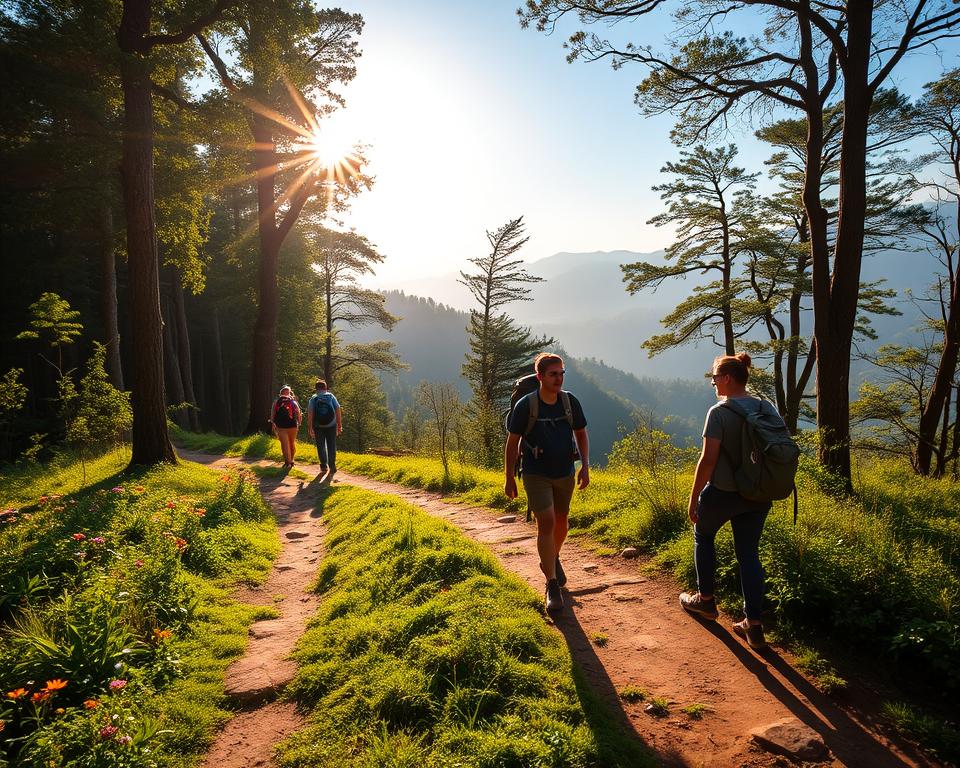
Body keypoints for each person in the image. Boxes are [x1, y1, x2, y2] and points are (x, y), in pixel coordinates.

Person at [680, 352, 778, 650]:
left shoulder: (719, 412)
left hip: (722, 493)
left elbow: (708, 460)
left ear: (727, 379)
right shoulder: (766, 407)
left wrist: (694, 496)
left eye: (714, 377)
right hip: (758, 493)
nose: (712, 383)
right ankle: (754, 625)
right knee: (749, 555)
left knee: (704, 535)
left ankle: (706, 601)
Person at [504, 353, 590, 613]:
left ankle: (551, 558)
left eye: (562, 373)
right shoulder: (526, 405)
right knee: (548, 521)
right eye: (553, 374)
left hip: (564, 471)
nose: (559, 378)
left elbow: (581, 433)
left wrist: (585, 465)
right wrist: (509, 476)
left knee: (563, 521)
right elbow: (513, 442)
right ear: (540, 376)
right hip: (535, 473)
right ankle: (552, 584)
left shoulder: (569, 402)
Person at [307, 378, 342, 478]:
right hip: (331, 425)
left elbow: (310, 413)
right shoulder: (331, 396)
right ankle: (332, 466)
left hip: (318, 426)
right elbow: (338, 409)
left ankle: (323, 466)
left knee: (320, 445)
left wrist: (310, 427)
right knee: (331, 445)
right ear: (326, 388)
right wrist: (339, 424)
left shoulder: (313, 398)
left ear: (316, 388)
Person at [271, 385, 302, 468]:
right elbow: (299, 414)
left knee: (284, 444)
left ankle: (287, 462)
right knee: (291, 443)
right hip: (293, 425)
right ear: (289, 393)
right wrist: (299, 423)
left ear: (280, 393)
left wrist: (273, 423)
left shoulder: (277, 401)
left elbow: (273, 414)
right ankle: (292, 460)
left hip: (281, 426)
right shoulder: (293, 401)